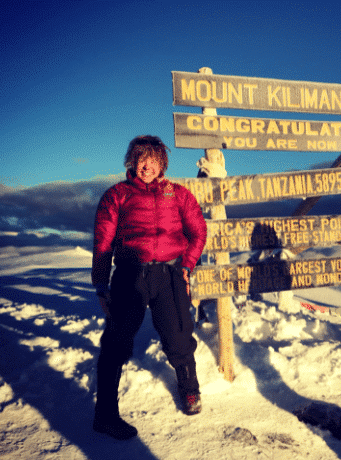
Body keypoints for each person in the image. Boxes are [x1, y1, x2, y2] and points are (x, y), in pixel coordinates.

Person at [91, 135, 207, 440]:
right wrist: (101, 284)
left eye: (154, 160)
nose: (147, 165)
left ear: (162, 164)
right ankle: (105, 414)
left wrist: (187, 265)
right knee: (116, 342)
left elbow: (198, 231)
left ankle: (190, 391)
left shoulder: (179, 194)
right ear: (132, 161)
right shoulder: (116, 195)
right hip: (130, 274)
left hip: (169, 274)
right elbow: (103, 243)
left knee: (180, 335)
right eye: (142, 159)